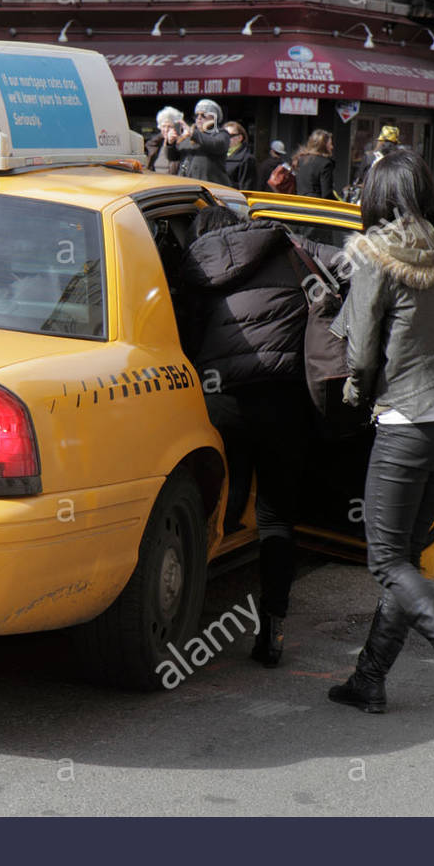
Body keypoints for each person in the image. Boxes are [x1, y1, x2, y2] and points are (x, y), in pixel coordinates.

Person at [329, 148, 434, 727]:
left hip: (407, 424)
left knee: (386, 563)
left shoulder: (372, 253)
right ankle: (369, 679)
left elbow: (357, 351)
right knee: (405, 562)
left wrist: (356, 394)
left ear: (378, 196)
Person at [179, 206, 338, 668]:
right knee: (275, 518)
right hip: (281, 404)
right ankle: (272, 630)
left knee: (208, 510)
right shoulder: (289, 248)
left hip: (216, 401)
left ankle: (186, 619)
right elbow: (353, 267)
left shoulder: (194, 268)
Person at [166, 98, 231, 185]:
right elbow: (173, 157)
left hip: (210, 187)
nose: (199, 118)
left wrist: (193, 134)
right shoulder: (190, 134)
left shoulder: (221, 133)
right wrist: (171, 143)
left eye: (204, 115)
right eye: (196, 115)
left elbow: (217, 144)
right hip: (188, 185)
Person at [292, 129, 337, 200]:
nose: (332, 147)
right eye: (330, 144)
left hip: (300, 204)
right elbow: (327, 194)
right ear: (323, 145)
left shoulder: (300, 160)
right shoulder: (326, 163)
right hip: (316, 206)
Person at [146, 106, 184, 174]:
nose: (166, 130)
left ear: (176, 127)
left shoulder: (182, 145)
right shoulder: (153, 144)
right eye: (163, 126)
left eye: (169, 126)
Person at [223, 122, 259, 191]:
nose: (226, 138)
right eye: (224, 135)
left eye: (230, 135)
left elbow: (247, 187)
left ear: (240, 138)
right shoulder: (218, 155)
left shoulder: (247, 159)